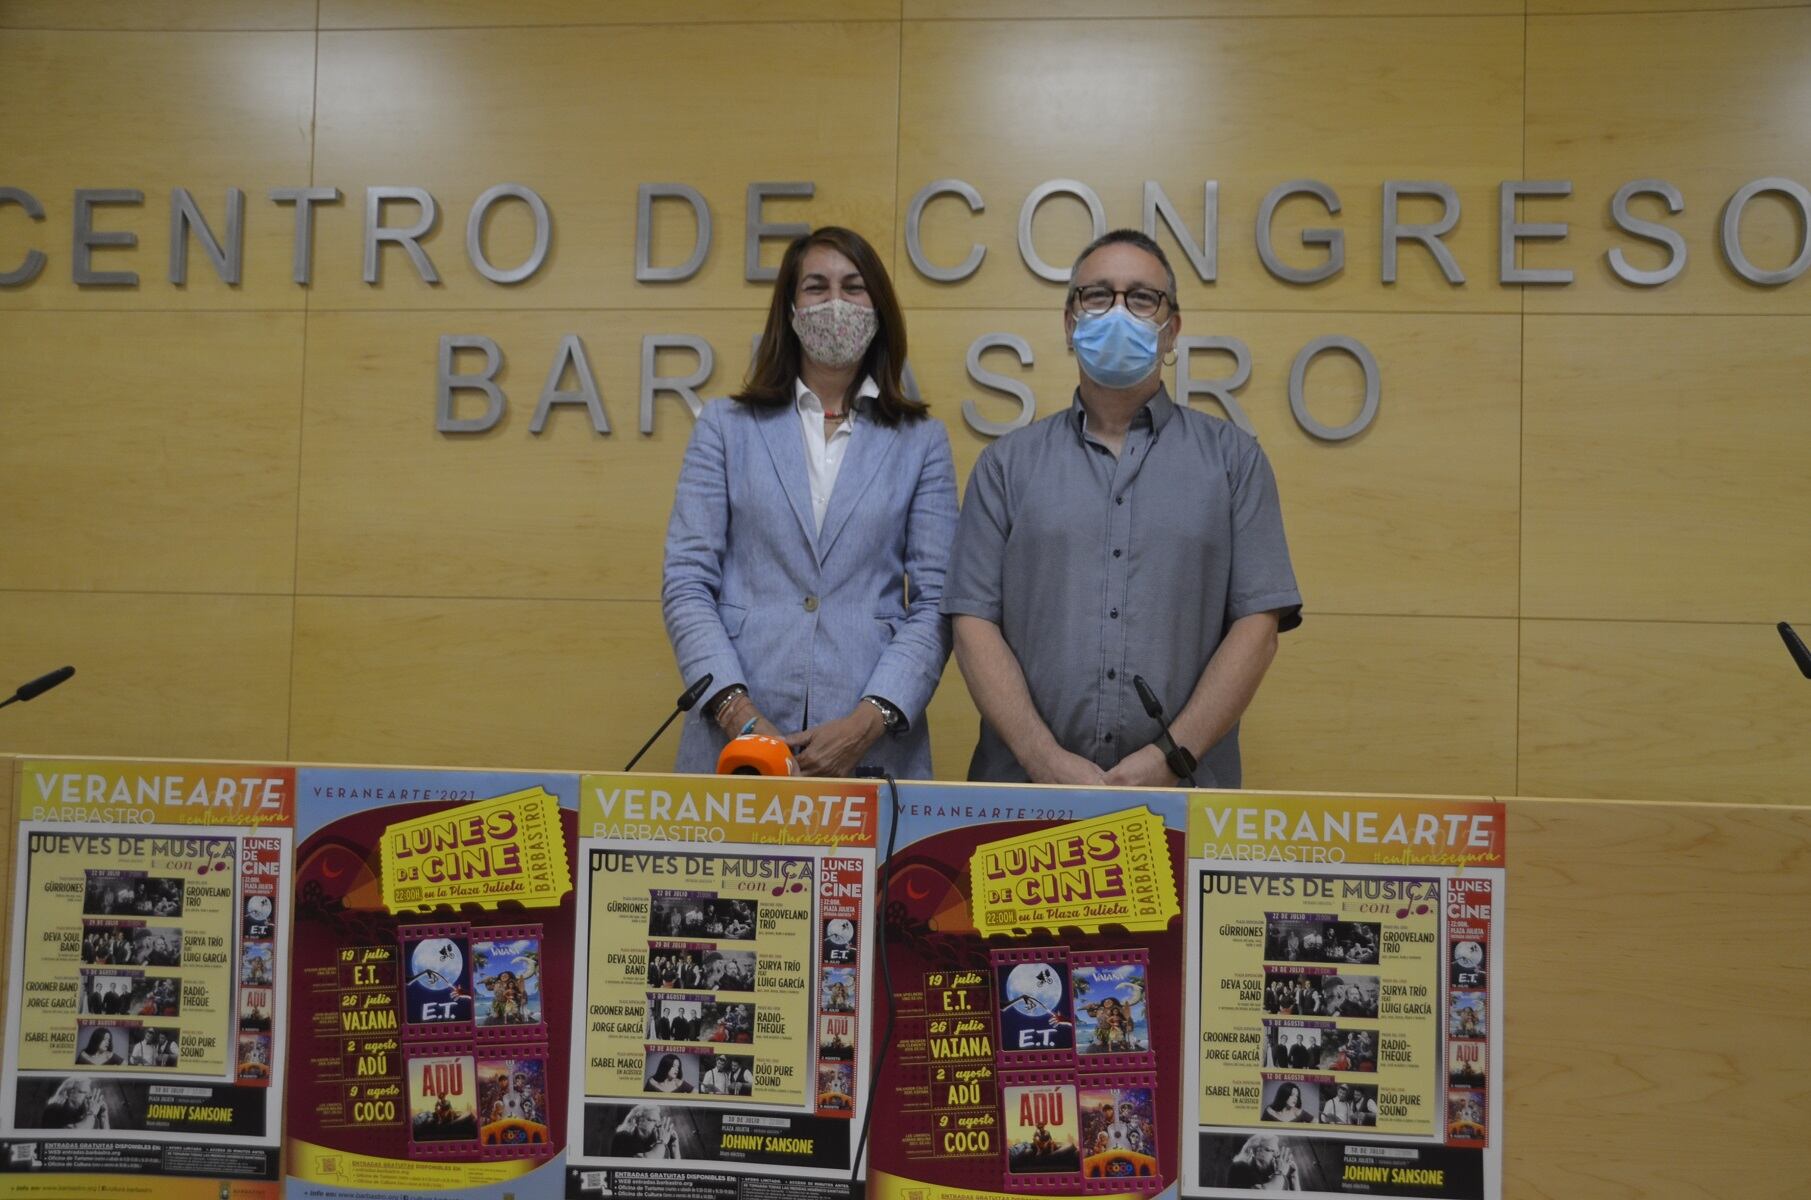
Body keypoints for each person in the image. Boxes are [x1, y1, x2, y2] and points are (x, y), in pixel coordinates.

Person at [943, 229, 1301, 786]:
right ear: (1070, 323)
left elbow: (1258, 629)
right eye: (1097, 295)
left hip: (1185, 798)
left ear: (1171, 329)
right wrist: (1043, 759)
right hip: (1022, 797)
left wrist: (1171, 758)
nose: (1117, 311)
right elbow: (972, 624)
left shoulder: (1234, 462)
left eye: (1141, 298)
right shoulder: (1005, 466)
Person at [663, 226, 957, 779]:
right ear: (791, 309)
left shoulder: (921, 441)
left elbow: (936, 601)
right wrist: (739, 715)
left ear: (878, 308)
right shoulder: (725, 427)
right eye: (816, 287)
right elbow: (687, 581)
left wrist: (868, 720)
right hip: (734, 738)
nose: (835, 303)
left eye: (854, 287)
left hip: (870, 747)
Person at [1225, 1133, 1298, 1190]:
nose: (1276, 1157)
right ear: (1253, 1151)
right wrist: (1279, 1172)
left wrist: (1293, 1179)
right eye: (1271, 1150)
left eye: (1277, 1153)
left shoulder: (1272, 1177)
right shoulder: (1239, 1167)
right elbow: (1262, 1194)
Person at [613, 1104, 679, 1159]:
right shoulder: (622, 1137)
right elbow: (645, 1163)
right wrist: (661, 1141)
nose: (658, 1125)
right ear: (636, 1121)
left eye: (658, 1122)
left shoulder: (654, 1143)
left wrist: (674, 1148)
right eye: (653, 1120)